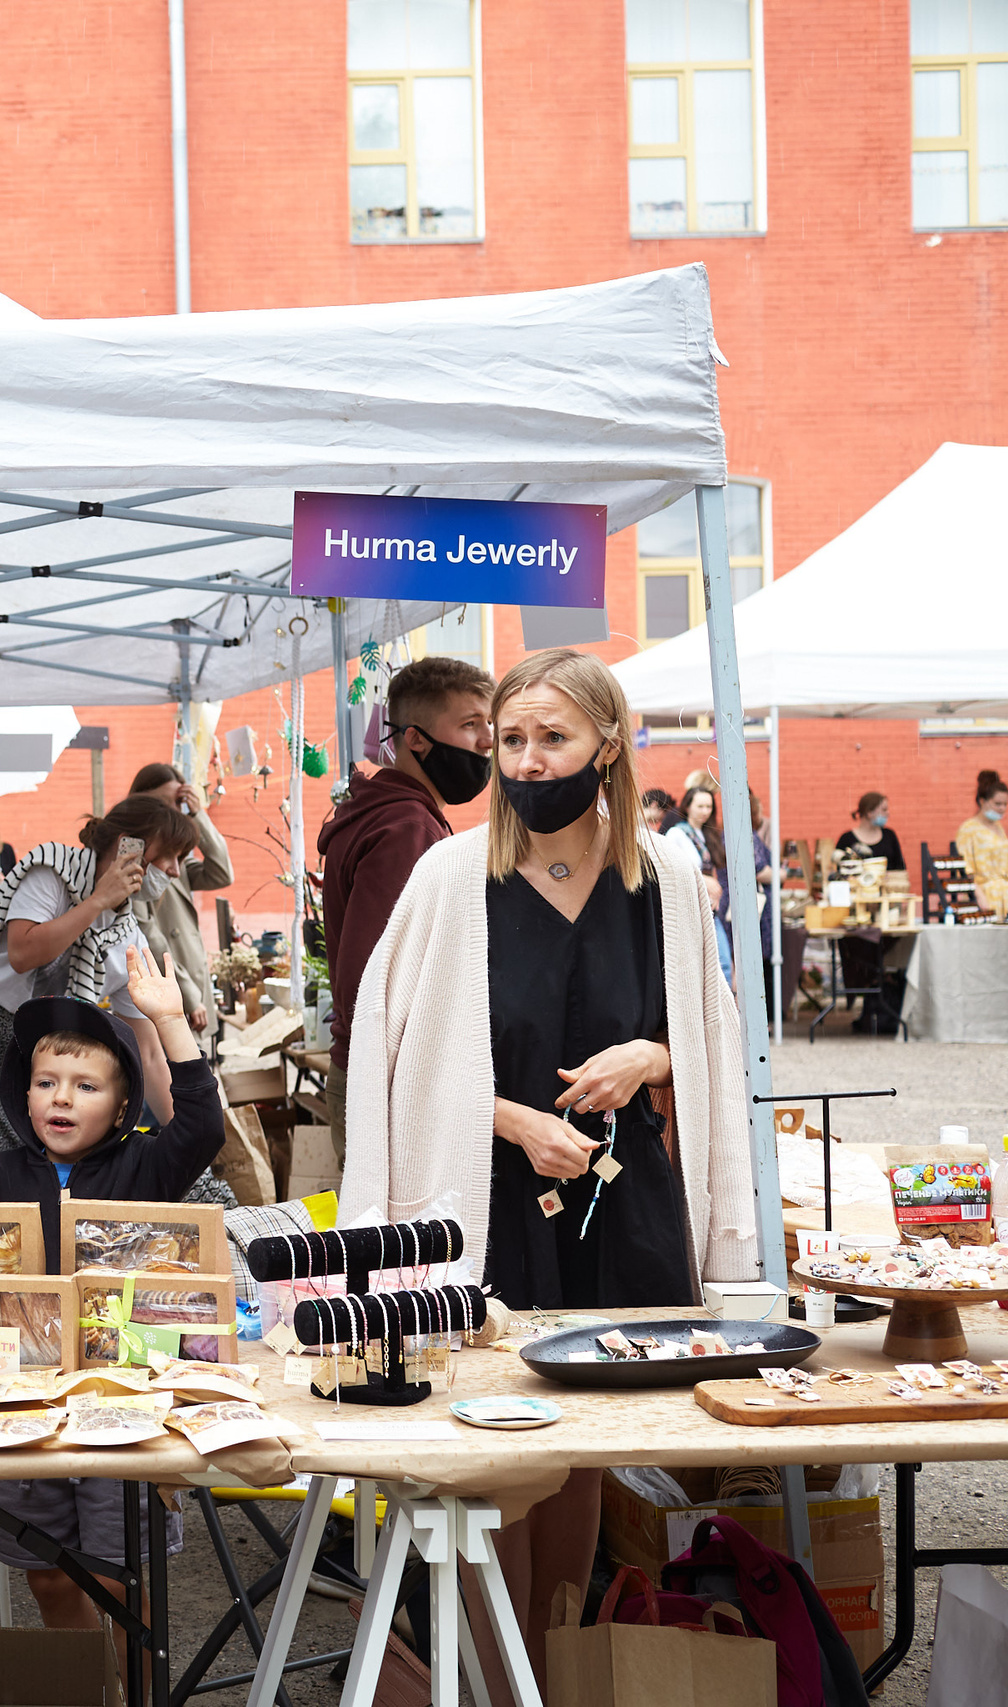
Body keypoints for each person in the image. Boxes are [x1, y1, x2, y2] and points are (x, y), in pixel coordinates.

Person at [340, 649, 756, 1699]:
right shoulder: (450, 877)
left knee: (583, 1453)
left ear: (606, 746)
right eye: (510, 739)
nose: (526, 761)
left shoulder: (661, 878)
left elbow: (709, 1039)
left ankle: (556, 1674)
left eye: (552, 739)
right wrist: (512, 1120)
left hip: (622, 1205)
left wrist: (648, 1056)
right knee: (492, 1460)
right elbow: (392, 1058)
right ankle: (491, 1682)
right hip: (489, 1211)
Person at [0, 959, 221, 1634]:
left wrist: (169, 1020)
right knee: (48, 1571)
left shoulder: (146, 1165)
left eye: (85, 1086)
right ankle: (87, 1681)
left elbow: (203, 1128)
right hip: (25, 1404)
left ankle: (135, 1679)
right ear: (23, 1093)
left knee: (118, 1574)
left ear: (121, 1105)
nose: (61, 1098)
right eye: (46, 1082)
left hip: (123, 1403)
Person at [0, 794, 193, 1205]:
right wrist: (97, 900)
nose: (174, 869)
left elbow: (150, 1053)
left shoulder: (124, 933)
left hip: (35, 1058)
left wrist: (185, 1138)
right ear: (127, 845)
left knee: (27, 1187)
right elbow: (23, 951)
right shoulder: (52, 871)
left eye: (180, 859)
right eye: (168, 854)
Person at [316, 656, 493, 1169]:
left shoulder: (388, 813)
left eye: (490, 723)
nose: (487, 740)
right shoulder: (406, 827)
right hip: (392, 1084)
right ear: (416, 739)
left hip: (378, 1075)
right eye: (470, 724)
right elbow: (373, 974)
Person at [124, 762, 234, 1038]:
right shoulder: (134, 858)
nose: (173, 811)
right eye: (165, 803)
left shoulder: (175, 861)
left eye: (178, 803)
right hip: (170, 989)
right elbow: (148, 935)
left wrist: (198, 815)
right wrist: (188, 994)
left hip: (191, 985)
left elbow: (221, 873)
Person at [666, 783, 732, 983]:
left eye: (709, 807)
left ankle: (723, 1002)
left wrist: (714, 890)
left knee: (723, 962)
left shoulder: (708, 834)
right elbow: (671, 869)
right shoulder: (676, 834)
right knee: (704, 964)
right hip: (688, 908)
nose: (705, 811)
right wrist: (704, 880)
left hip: (709, 907)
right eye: (700, 806)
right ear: (688, 806)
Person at [958, 770, 1008, 916]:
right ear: (982, 801)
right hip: (985, 899)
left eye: (1005, 804)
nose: (1002, 808)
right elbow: (964, 870)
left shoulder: (998, 828)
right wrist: (980, 898)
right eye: (997, 804)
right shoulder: (969, 829)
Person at [835, 791, 904, 870]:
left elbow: (901, 868)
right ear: (869, 812)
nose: (887, 813)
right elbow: (838, 869)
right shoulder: (846, 839)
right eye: (884, 810)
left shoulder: (889, 835)